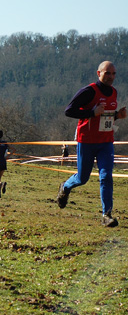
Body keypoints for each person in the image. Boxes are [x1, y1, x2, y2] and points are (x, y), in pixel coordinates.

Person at [57, 61, 127, 227]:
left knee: (106, 176)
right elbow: (69, 110)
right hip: (87, 141)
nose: (111, 77)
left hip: (105, 142)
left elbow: (105, 117)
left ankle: (107, 214)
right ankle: (65, 187)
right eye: (107, 73)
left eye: (113, 73)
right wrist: (91, 112)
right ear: (99, 73)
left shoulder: (114, 92)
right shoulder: (89, 91)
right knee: (82, 178)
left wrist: (117, 115)